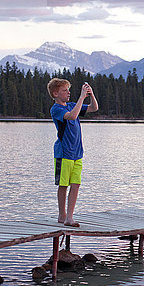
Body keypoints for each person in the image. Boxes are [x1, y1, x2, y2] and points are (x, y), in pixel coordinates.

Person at [47, 78, 98, 227]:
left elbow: (94, 108)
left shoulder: (71, 105)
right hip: (63, 153)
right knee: (63, 184)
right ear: (55, 94)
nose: (68, 93)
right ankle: (62, 215)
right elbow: (72, 116)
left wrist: (91, 94)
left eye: (69, 90)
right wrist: (81, 98)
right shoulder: (56, 109)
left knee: (75, 184)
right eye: (65, 90)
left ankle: (70, 217)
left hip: (77, 153)